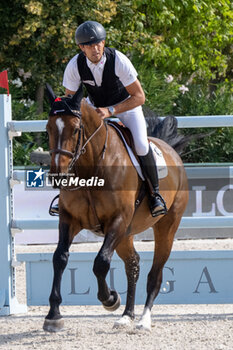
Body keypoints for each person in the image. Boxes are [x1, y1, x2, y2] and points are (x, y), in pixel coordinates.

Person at [61, 20, 167, 217]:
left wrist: (111, 110)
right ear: (81, 47)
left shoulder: (118, 60)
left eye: (99, 43)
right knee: (74, 142)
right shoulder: (75, 65)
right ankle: (65, 196)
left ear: (104, 42)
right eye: (90, 45)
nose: (95, 48)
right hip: (94, 107)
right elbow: (71, 100)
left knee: (142, 145)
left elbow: (140, 97)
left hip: (126, 105)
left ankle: (155, 195)